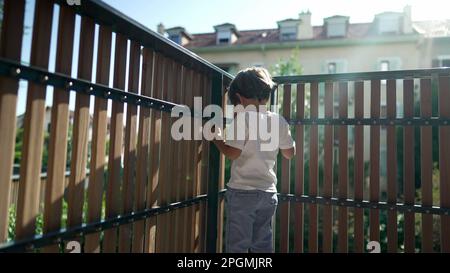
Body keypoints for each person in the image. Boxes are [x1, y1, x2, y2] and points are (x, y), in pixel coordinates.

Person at [212, 67, 296, 253]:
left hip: (242, 192)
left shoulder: (242, 120)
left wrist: (217, 139)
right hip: (268, 194)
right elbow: (289, 153)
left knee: (238, 244)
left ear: (240, 99)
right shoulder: (278, 120)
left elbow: (232, 153)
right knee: (263, 243)